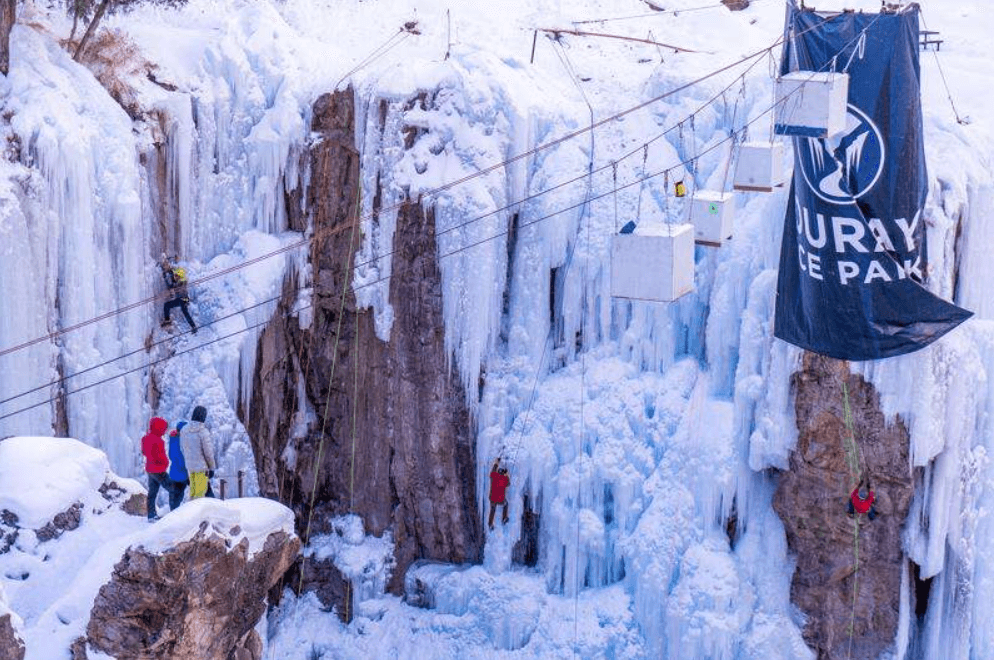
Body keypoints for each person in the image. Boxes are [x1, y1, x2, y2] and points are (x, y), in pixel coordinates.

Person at [141, 417, 176, 521]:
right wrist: (165, 464)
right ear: (158, 428)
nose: (164, 430)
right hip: (159, 470)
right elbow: (161, 456)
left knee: (152, 493)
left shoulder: (145, 438)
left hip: (149, 469)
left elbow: (144, 452)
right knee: (174, 490)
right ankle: (175, 513)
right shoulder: (158, 440)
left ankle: (151, 515)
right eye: (163, 428)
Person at [181, 405, 216, 499]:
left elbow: (182, 449)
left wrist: (188, 461)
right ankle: (198, 514)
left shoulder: (184, 430)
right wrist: (212, 468)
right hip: (201, 468)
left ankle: (190, 513)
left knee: (193, 494)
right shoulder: (203, 432)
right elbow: (208, 453)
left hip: (190, 467)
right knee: (200, 497)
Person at [161, 257, 197, 333]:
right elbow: (173, 279)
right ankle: (193, 326)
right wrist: (170, 270)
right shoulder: (181, 281)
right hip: (183, 300)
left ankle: (167, 321)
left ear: (180, 276)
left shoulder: (181, 283)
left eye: (177, 275)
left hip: (182, 300)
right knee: (185, 313)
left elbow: (172, 285)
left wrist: (165, 275)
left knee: (167, 305)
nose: (175, 276)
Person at [167, 421, 189, 509]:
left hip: (172, 473)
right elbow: (181, 457)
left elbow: (171, 455)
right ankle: (175, 515)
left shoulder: (173, 439)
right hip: (182, 474)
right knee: (179, 496)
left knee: (173, 496)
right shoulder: (182, 441)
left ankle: (172, 514)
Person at [487, 458, 511, 530]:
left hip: (493, 498)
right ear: (503, 473)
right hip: (500, 500)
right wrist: (507, 474)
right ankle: (504, 518)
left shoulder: (494, 476)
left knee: (493, 510)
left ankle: (490, 523)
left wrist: (497, 462)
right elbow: (508, 483)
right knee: (506, 504)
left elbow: (493, 471)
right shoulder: (504, 479)